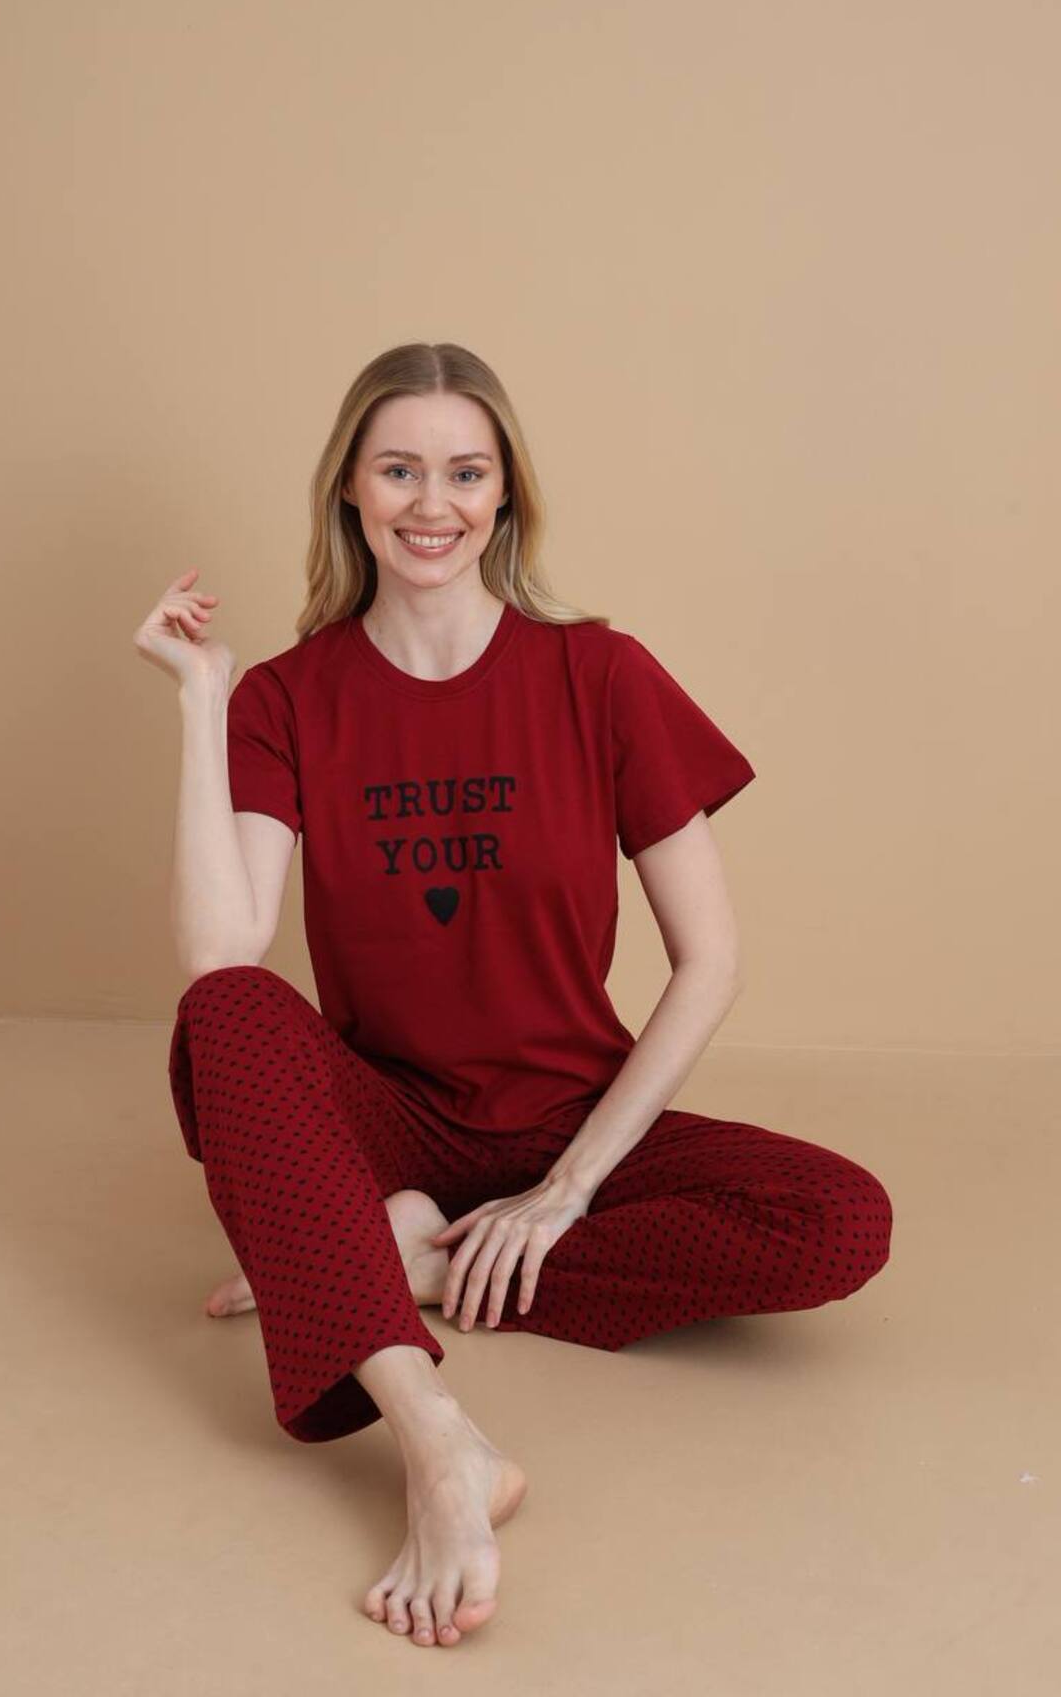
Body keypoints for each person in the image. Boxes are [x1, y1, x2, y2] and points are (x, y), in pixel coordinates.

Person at [133, 341, 893, 1651]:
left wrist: (568, 1189)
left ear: (506, 494)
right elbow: (222, 952)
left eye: (466, 472)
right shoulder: (287, 697)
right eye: (400, 470)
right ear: (351, 489)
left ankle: (402, 1262)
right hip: (383, 1120)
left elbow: (710, 962)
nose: (433, 503)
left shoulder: (601, 675)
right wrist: (203, 702)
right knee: (229, 1018)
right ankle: (435, 1438)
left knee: (837, 1220)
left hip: (569, 1117)